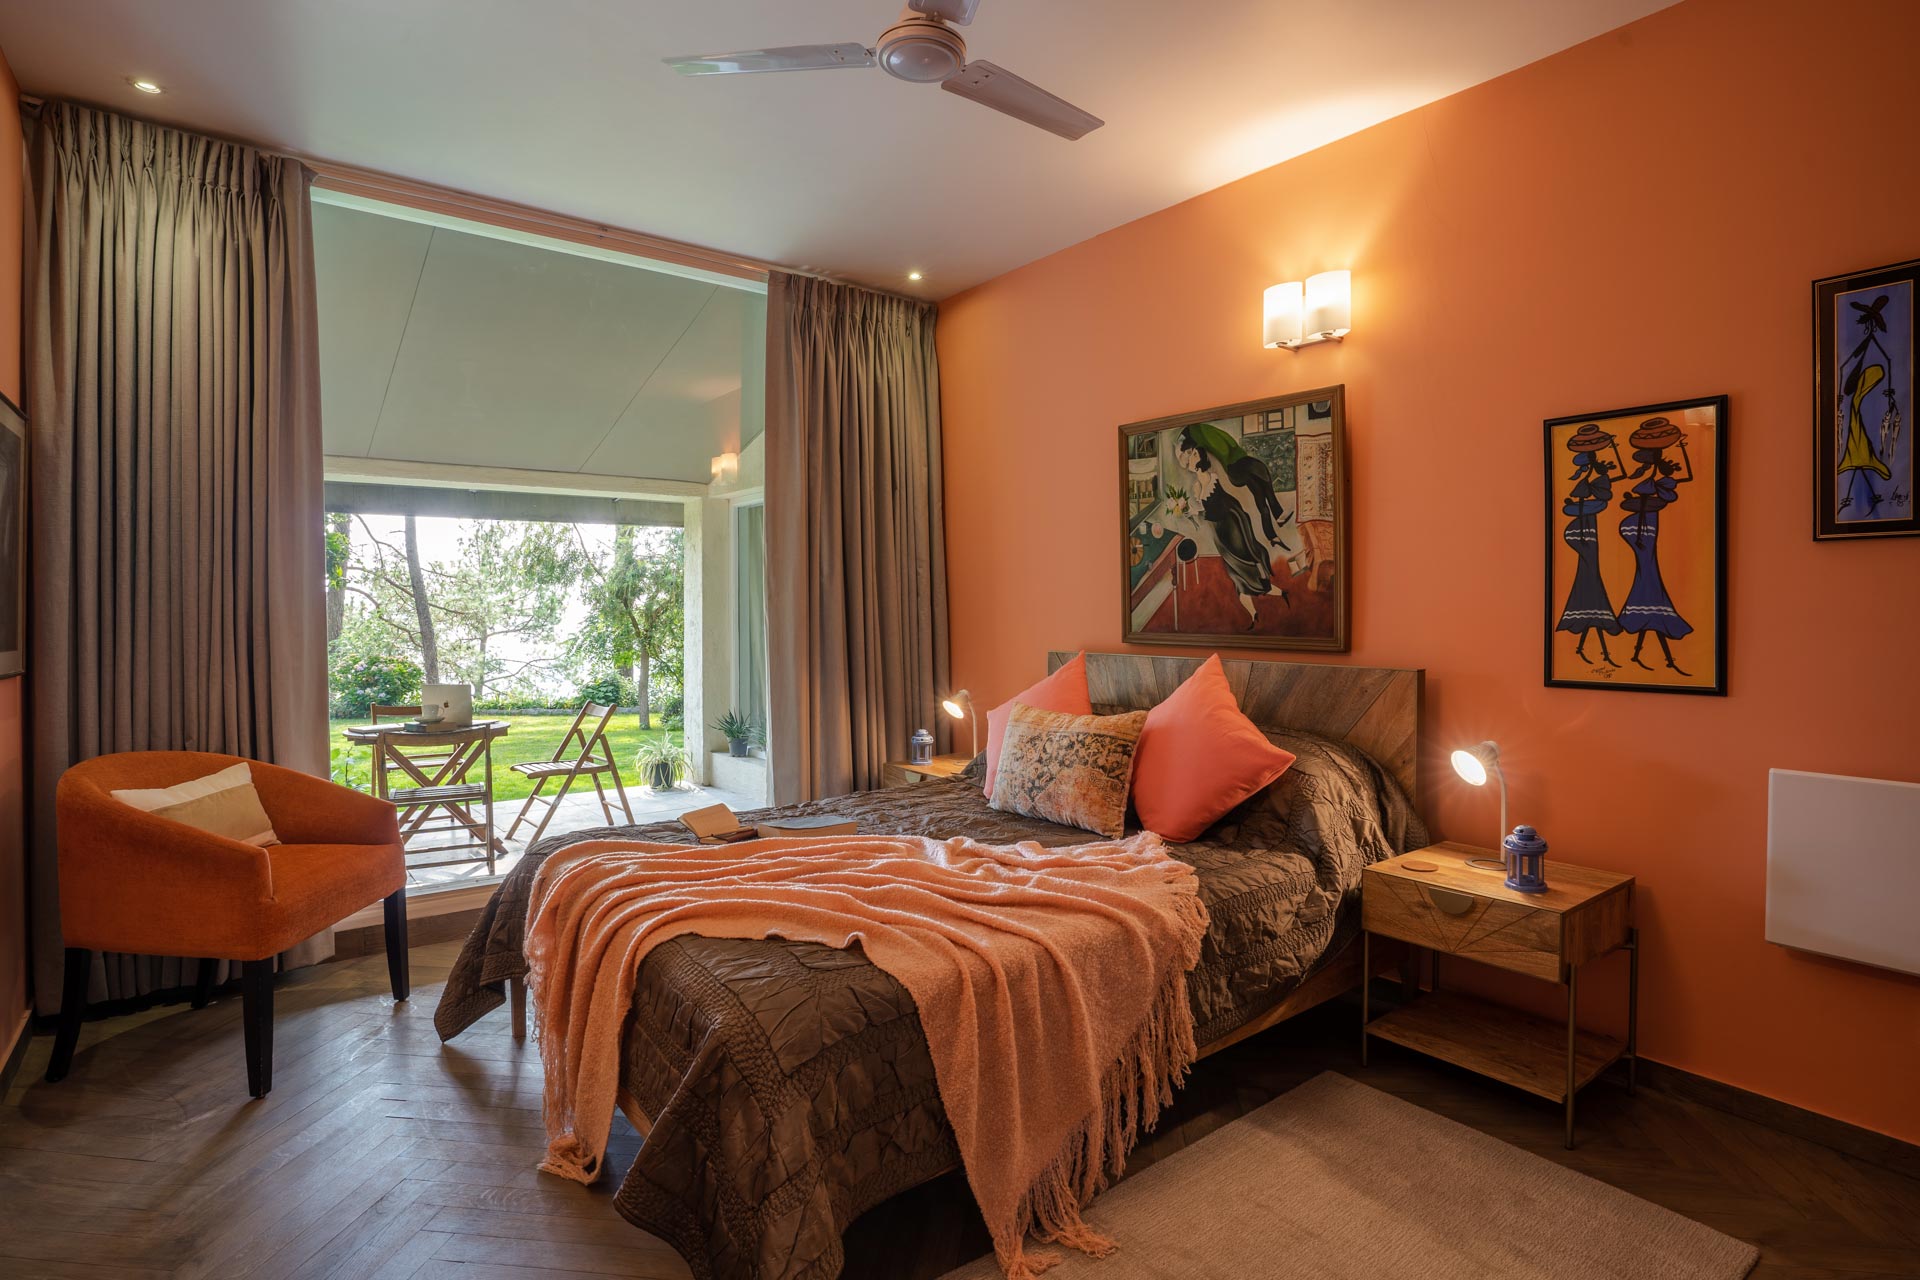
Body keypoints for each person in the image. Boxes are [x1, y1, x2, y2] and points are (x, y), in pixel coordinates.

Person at [1173, 425, 1288, 628]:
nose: (1189, 459)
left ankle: (1269, 589)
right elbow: (1206, 509)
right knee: (1235, 572)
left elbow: (1218, 507)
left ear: (1199, 459)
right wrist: (1190, 512)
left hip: (1231, 524)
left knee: (1244, 561)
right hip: (1220, 532)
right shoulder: (1197, 486)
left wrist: (1197, 512)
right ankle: (1255, 612)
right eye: (1190, 455)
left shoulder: (1210, 478)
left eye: (1192, 455)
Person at [1615, 417, 1694, 675]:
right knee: (1648, 570)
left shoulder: (1658, 478)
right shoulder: (1650, 477)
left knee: (1648, 571)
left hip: (1646, 522)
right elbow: (1683, 478)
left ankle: (1639, 653)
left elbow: (1685, 477)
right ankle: (1662, 657)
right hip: (1638, 525)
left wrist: (1682, 449)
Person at [1554, 423, 1623, 664]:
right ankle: (1599, 650)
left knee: (1590, 577)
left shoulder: (1597, 478)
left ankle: (1587, 648)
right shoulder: (1589, 478)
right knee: (1591, 577)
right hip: (1582, 527)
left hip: (1588, 525)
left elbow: (1617, 478)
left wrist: (1614, 452)